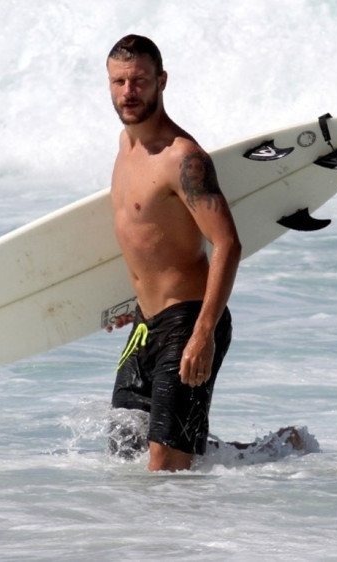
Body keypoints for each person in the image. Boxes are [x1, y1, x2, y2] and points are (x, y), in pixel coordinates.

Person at [105, 34, 242, 471]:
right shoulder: (124, 147)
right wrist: (132, 302)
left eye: (140, 80)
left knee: (166, 469)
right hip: (146, 325)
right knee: (126, 454)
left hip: (190, 319)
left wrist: (204, 334)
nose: (129, 92)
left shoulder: (184, 158)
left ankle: (286, 449)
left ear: (161, 81)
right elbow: (147, 240)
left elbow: (227, 243)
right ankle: (260, 454)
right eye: (119, 82)